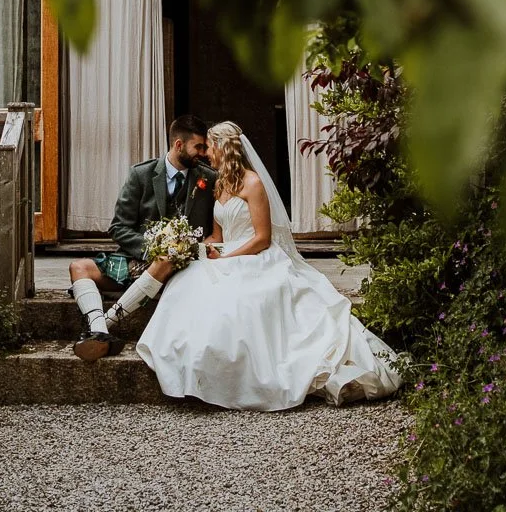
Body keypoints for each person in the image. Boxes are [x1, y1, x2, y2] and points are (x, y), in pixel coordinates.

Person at [135, 120, 402, 410]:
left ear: (223, 148)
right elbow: (218, 235)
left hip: (256, 256)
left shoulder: (253, 183)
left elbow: (262, 238)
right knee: (188, 283)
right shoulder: (219, 184)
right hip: (226, 254)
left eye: (209, 147)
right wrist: (193, 247)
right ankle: (187, 363)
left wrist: (227, 257)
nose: (206, 154)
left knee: (242, 300)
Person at [66, 114, 217, 361]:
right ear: (179, 145)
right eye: (198, 146)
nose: (203, 152)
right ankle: (101, 333)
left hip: (183, 268)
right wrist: (151, 248)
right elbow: (118, 227)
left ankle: (101, 328)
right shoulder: (141, 174)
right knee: (78, 267)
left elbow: (214, 230)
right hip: (138, 260)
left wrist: (182, 250)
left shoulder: (208, 179)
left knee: (167, 259)